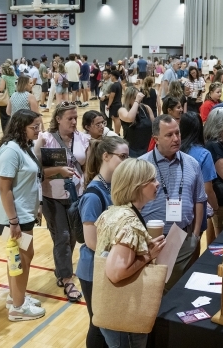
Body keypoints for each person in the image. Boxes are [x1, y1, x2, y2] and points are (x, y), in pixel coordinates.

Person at [95, 158, 166, 348]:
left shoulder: (113, 212)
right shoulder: (129, 223)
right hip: (123, 313)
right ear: (138, 186)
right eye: (152, 180)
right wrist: (148, 256)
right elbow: (116, 273)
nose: (157, 183)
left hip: (109, 308)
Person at [139, 115, 207, 291]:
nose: (176, 139)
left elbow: (200, 199)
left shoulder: (192, 164)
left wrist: (196, 234)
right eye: (169, 135)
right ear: (156, 139)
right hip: (150, 239)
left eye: (177, 133)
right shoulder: (141, 165)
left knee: (178, 290)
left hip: (182, 237)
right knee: (152, 290)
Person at [0, 109, 46, 321]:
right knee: (21, 260)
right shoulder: (11, 151)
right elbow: (4, 188)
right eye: (34, 127)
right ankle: (18, 307)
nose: (38, 130)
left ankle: (15, 297)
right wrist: (13, 221)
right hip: (14, 218)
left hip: (23, 215)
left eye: (39, 126)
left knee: (18, 259)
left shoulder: (24, 147)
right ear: (20, 127)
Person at [36, 102, 91, 302]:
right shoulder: (45, 139)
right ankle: (68, 279)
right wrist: (58, 171)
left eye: (76, 117)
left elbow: (87, 169)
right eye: (70, 118)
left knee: (73, 237)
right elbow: (37, 171)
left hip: (77, 197)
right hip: (52, 196)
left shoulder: (82, 139)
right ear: (58, 119)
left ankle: (61, 271)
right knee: (62, 237)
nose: (74, 122)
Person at [77, 136, 129, 348]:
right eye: (122, 157)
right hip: (93, 270)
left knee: (103, 323)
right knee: (98, 324)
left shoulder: (111, 187)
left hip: (105, 265)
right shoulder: (93, 195)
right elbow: (92, 241)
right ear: (106, 156)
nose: (126, 162)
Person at [180, 112, 219, 246]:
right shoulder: (204, 154)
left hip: (176, 210)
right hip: (196, 211)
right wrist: (216, 207)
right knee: (193, 250)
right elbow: (207, 189)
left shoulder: (174, 150)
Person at [119, 86, 154, 158]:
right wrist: (137, 101)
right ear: (128, 98)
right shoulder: (122, 110)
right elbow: (130, 118)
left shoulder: (146, 108)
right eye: (134, 98)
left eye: (138, 97)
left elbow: (154, 126)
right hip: (132, 151)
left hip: (148, 149)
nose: (139, 100)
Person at [0, 63, 17, 131]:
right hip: (14, 96)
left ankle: (6, 133)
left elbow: (1, 88)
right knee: (12, 115)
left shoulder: (4, 77)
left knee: (4, 116)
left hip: (6, 98)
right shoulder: (13, 76)